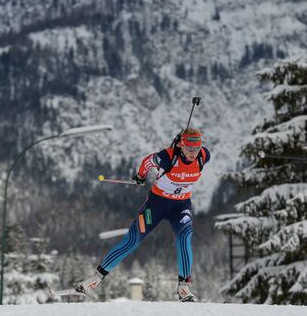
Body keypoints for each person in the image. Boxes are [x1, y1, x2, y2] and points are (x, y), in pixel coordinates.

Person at [75, 127, 211, 302]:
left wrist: (196, 151)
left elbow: (196, 155)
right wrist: (140, 176)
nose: (193, 153)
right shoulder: (168, 156)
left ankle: (184, 287)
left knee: (184, 238)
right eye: (190, 149)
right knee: (132, 240)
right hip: (157, 204)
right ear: (181, 145)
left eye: (197, 148)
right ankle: (96, 278)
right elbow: (147, 161)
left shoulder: (203, 156)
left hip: (181, 206)